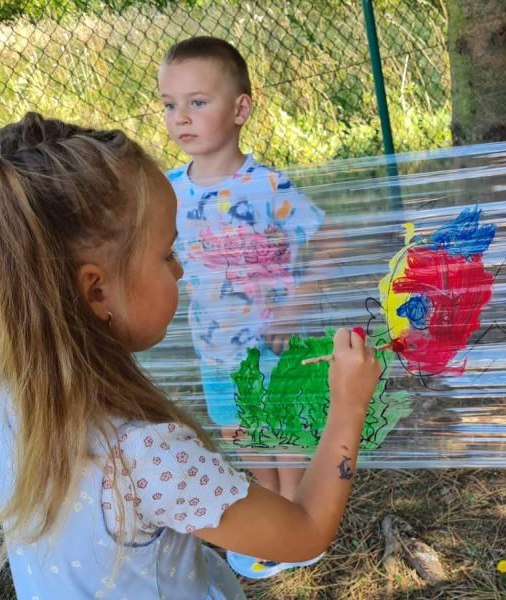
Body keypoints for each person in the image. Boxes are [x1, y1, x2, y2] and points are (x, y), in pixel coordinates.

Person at [0, 112, 381, 598]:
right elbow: (305, 531)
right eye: (166, 254)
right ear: (96, 292)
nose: (180, 270)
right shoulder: (147, 457)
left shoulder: (11, 404)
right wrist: (348, 405)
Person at [157, 36, 329, 577]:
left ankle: (300, 525)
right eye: (169, 104)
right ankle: (273, 511)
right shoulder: (167, 192)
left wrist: (296, 307)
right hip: (217, 349)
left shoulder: (267, 186)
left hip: (277, 346)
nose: (181, 117)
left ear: (240, 109)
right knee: (240, 432)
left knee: (285, 432)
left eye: (197, 102)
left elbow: (330, 241)